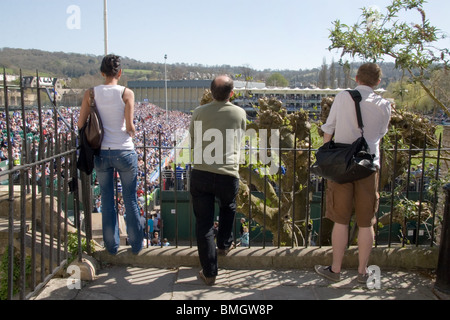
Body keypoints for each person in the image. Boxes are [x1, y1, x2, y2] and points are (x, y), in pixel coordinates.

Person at [314, 63, 391, 283]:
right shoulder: (384, 104)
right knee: (366, 222)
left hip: (342, 166)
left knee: (341, 220)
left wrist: (325, 154)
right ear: (378, 82)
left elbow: (329, 127)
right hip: (368, 167)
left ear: (356, 78)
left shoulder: (344, 97)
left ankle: (335, 270)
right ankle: (362, 272)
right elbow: (380, 134)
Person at [77, 54, 143, 255]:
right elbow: (130, 126)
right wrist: (130, 130)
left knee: (107, 200)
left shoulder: (91, 93)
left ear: (102, 72)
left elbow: (81, 124)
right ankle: (136, 245)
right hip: (124, 150)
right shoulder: (126, 93)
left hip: (102, 153)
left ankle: (111, 246)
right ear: (119, 73)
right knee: (130, 199)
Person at [189, 75, 247, 285]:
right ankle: (224, 243)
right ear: (232, 93)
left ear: (211, 92)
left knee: (204, 224)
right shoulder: (239, 113)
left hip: (202, 172)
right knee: (228, 206)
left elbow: (193, 141)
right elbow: (239, 139)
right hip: (228, 172)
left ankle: (210, 271)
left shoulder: (198, 112)